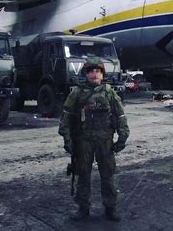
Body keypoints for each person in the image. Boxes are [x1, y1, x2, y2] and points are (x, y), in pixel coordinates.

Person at [58, 58, 130, 222]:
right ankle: (83, 209)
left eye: (97, 71)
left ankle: (110, 208)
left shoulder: (109, 92)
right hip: (83, 141)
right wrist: (67, 139)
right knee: (83, 175)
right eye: (90, 71)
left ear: (102, 74)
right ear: (86, 74)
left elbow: (120, 116)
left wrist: (122, 138)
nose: (94, 74)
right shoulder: (76, 93)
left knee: (108, 175)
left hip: (104, 141)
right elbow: (66, 117)